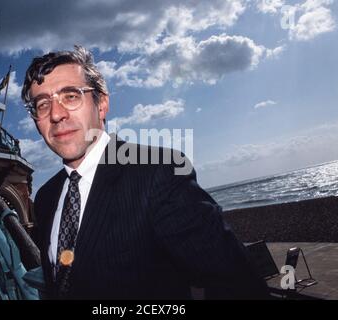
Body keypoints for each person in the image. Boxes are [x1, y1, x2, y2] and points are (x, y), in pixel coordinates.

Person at [21, 45, 269, 300]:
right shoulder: (46, 198)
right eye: (42, 104)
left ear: (102, 103)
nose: (56, 114)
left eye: (71, 96)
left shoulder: (160, 172)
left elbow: (238, 283)